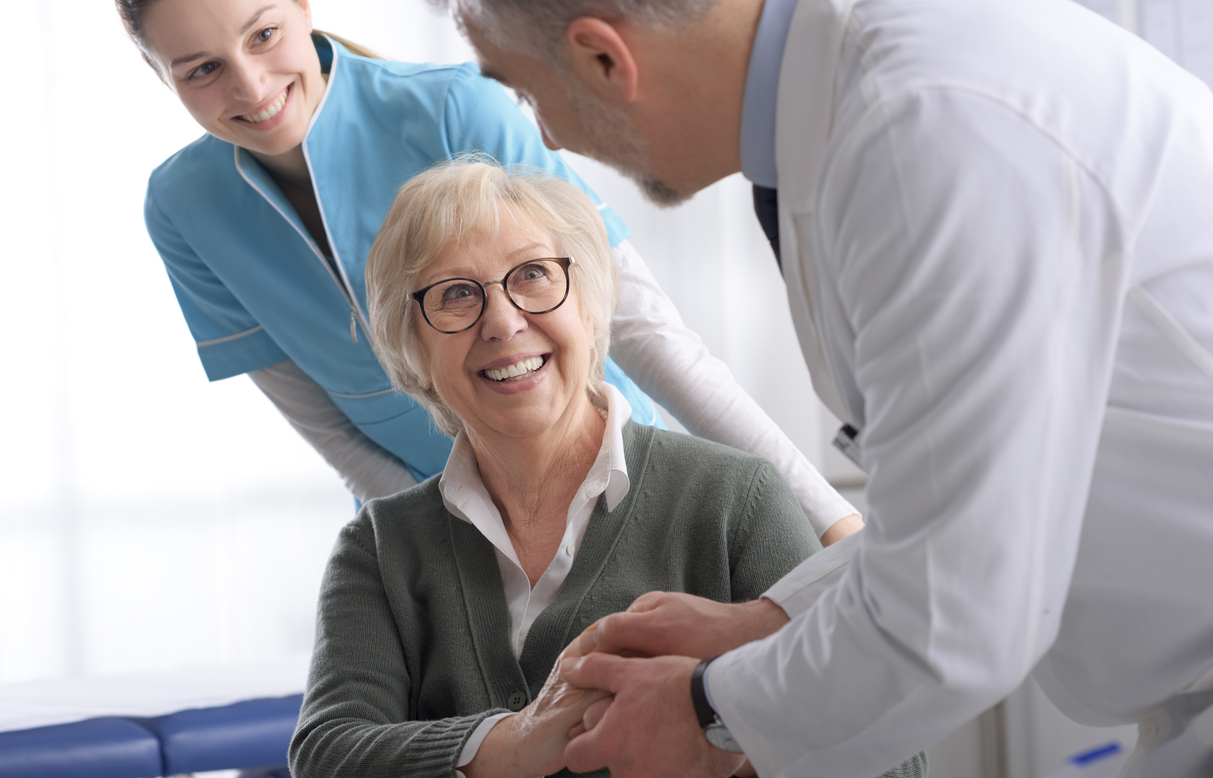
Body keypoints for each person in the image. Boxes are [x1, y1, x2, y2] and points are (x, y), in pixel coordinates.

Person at [443, 0, 1213, 778]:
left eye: (526, 94)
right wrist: (773, 618)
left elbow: (952, 610)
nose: (547, 137)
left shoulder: (923, 123)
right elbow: (982, 507)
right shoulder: (874, 100)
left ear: (601, 60)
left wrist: (706, 714)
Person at [286, 159, 926, 778]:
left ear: (590, 309)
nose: (502, 322)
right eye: (455, 295)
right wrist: (524, 740)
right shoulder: (380, 546)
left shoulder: (731, 502)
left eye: (532, 276)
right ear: (411, 350)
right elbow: (331, 775)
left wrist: (718, 723)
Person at [115, 0, 863, 547]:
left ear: (304, 11)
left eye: (265, 34)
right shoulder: (181, 208)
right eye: (201, 70)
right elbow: (326, 426)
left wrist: (826, 516)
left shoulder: (456, 108)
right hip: (428, 521)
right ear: (159, 76)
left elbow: (642, 329)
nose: (248, 87)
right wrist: (460, 551)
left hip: (622, 485)